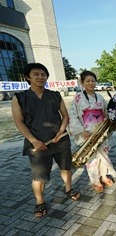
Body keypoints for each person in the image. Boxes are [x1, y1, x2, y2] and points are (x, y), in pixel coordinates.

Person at [11, 63, 80, 218]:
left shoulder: (55, 95)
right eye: (36, 74)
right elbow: (19, 121)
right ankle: (39, 201)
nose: (40, 77)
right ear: (28, 77)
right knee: (39, 175)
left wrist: (61, 131)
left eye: (43, 74)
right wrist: (33, 140)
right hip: (37, 144)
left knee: (66, 167)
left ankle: (69, 189)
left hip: (59, 139)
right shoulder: (19, 98)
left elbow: (65, 116)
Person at [68, 71, 116, 193]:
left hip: (101, 132)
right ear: (82, 83)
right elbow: (73, 117)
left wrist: (109, 126)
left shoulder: (100, 97)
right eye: (87, 81)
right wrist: (81, 131)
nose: (91, 83)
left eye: (93, 81)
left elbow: (106, 114)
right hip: (87, 134)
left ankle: (104, 176)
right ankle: (95, 180)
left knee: (104, 155)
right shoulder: (78, 98)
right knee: (91, 159)